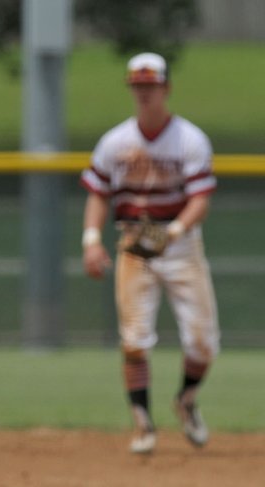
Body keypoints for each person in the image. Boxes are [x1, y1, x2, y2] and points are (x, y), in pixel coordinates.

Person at [80, 52, 220, 454]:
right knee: (135, 340)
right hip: (134, 246)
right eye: (137, 86)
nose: (144, 93)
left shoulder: (189, 139)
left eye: (151, 85)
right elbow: (98, 195)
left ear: (166, 88)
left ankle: (186, 401)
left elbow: (200, 201)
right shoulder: (115, 142)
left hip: (180, 245)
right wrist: (91, 241)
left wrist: (173, 231)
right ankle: (143, 423)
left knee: (202, 343)